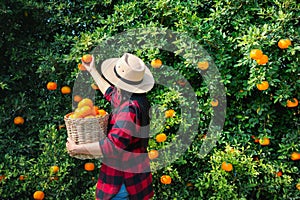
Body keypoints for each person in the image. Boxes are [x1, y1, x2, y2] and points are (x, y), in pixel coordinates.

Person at [66, 53, 155, 200]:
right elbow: (110, 93)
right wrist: (92, 69)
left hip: (122, 183)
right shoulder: (133, 98)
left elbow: (112, 147)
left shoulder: (129, 111)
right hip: (136, 175)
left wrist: (77, 149)